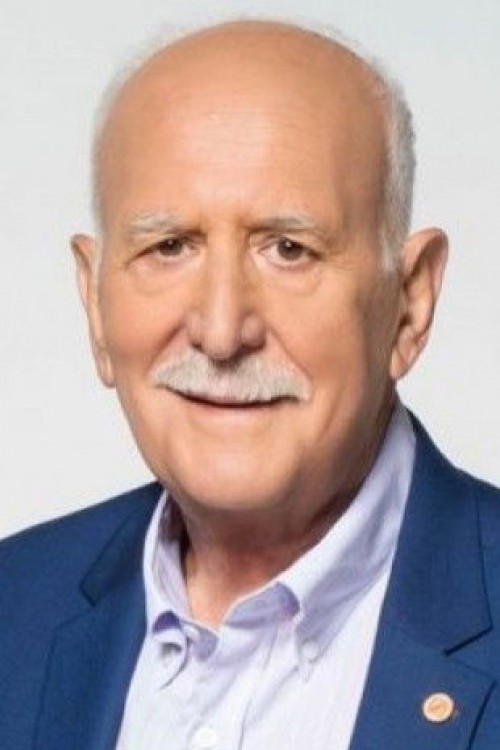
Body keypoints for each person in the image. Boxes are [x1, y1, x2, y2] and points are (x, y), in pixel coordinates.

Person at [1, 17, 499, 750]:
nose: (222, 330)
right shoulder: (13, 607)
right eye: (170, 247)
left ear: (409, 302)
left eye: (288, 249)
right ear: (95, 303)